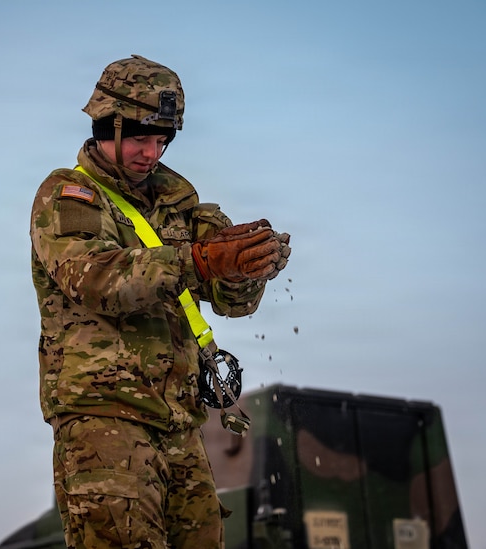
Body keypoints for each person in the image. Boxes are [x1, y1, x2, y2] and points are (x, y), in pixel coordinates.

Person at [29, 54, 290, 549]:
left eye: (162, 140)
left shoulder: (180, 206)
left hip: (179, 423)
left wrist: (246, 271)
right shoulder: (68, 195)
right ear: (109, 125)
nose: (152, 153)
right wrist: (198, 261)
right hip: (105, 420)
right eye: (141, 138)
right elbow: (95, 278)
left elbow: (232, 304)